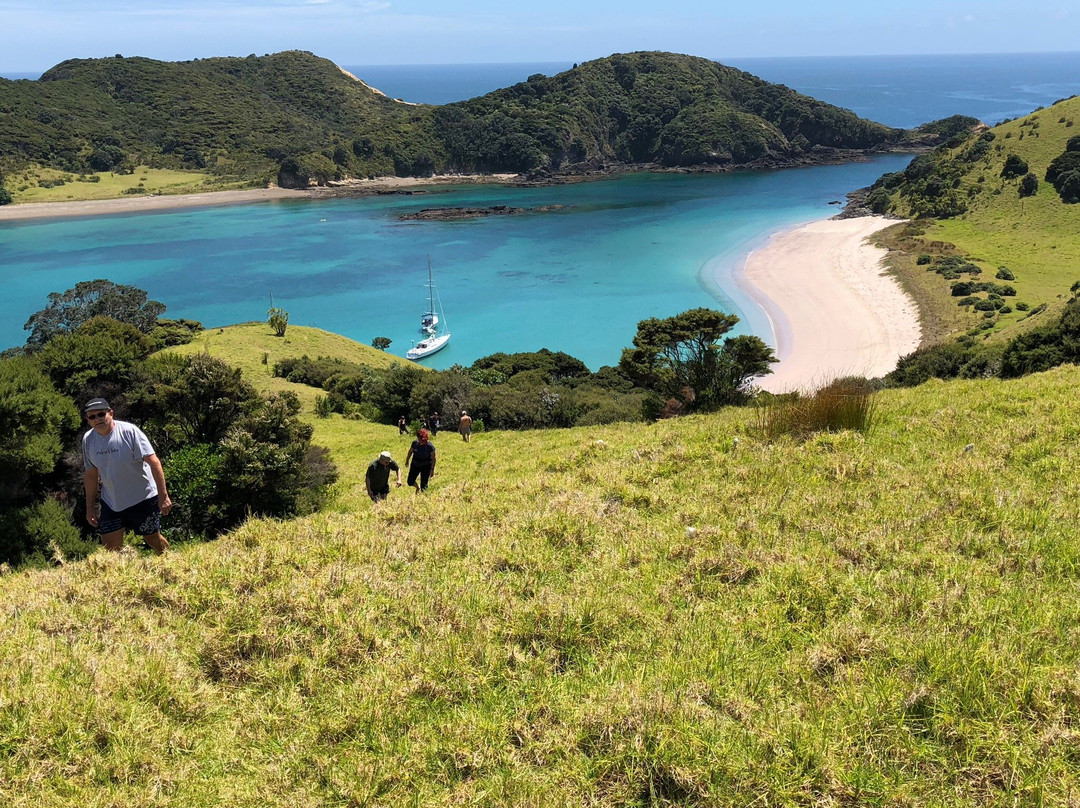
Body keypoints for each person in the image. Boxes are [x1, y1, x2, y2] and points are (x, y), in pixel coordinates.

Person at [81, 397, 172, 554]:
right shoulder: (88, 440)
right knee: (110, 547)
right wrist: (90, 508)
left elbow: (154, 462)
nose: (97, 419)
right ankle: (117, 577)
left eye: (101, 414)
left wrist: (163, 496)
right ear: (88, 420)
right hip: (112, 502)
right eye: (92, 417)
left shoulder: (129, 432)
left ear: (110, 413)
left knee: (152, 538)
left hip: (142, 497)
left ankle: (172, 562)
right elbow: (91, 475)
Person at [404, 428, 437, 493]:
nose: (421, 442)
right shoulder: (415, 443)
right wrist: (407, 460)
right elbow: (410, 451)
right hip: (415, 464)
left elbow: (434, 458)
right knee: (410, 481)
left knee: (424, 486)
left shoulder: (430, 446)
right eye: (419, 440)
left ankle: (422, 498)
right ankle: (417, 487)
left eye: (422, 441)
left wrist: (432, 469)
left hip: (426, 465)